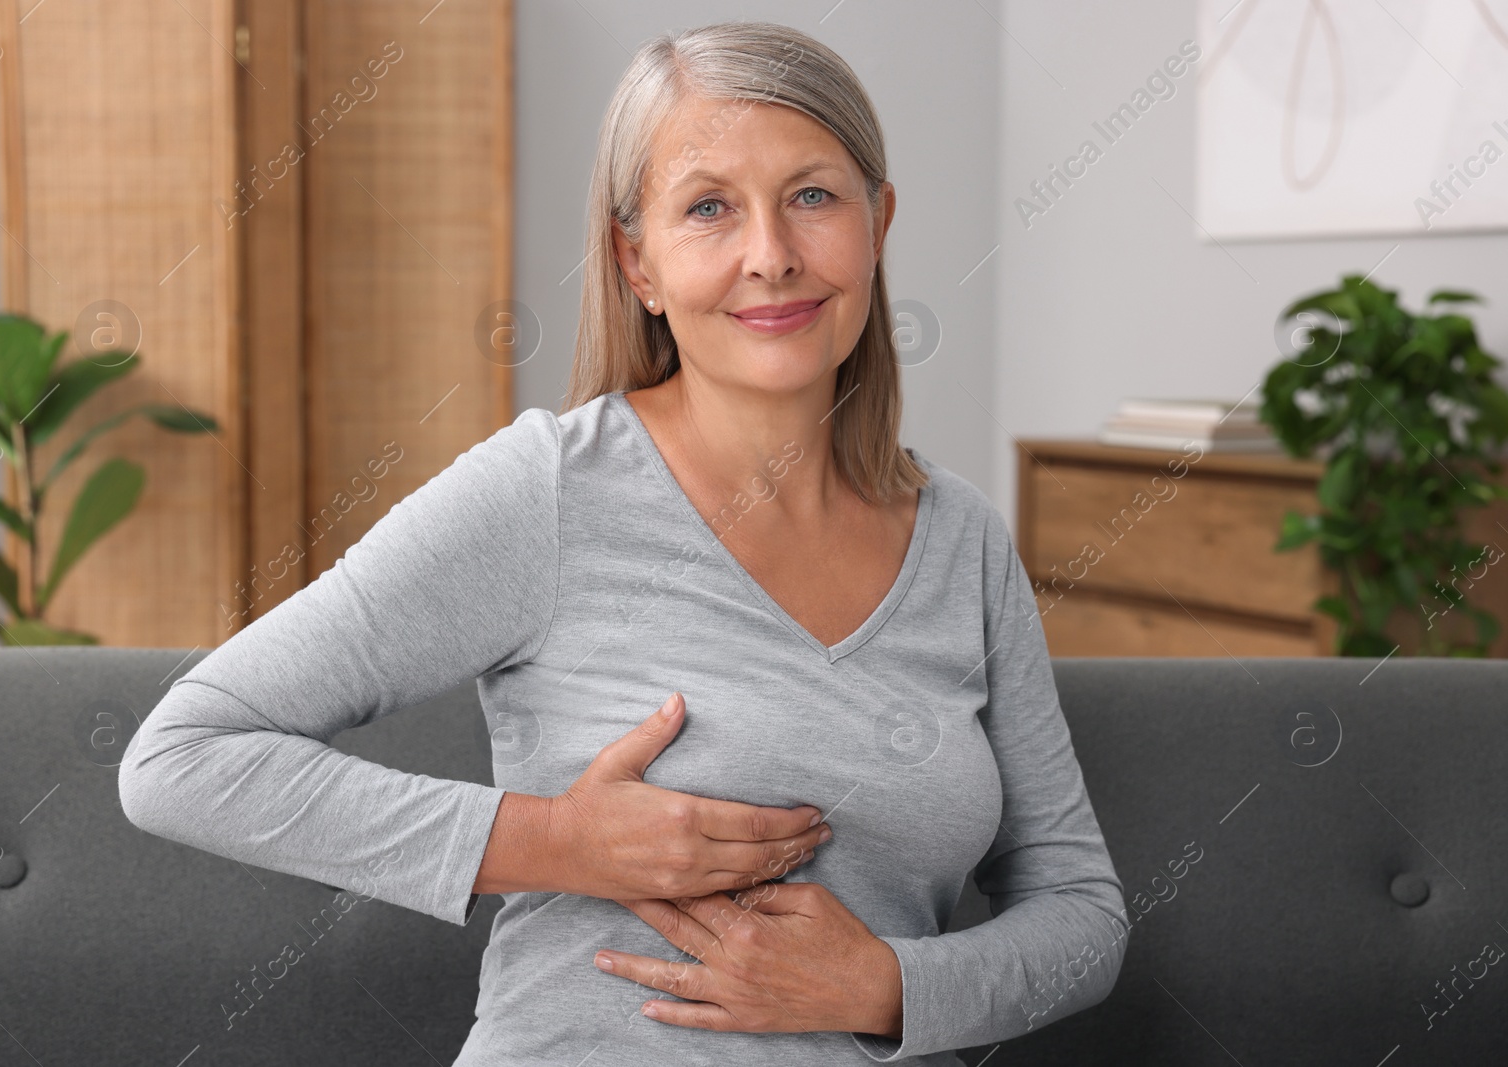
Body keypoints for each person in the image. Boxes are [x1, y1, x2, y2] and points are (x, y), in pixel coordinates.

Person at [118, 20, 1128, 1065]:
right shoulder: (547, 491)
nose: (771, 253)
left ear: (878, 223)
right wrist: (555, 840)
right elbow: (183, 755)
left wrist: (887, 984)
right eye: (708, 208)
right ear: (636, 260)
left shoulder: (962, 542)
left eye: (812, 196)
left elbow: (1081, 912)